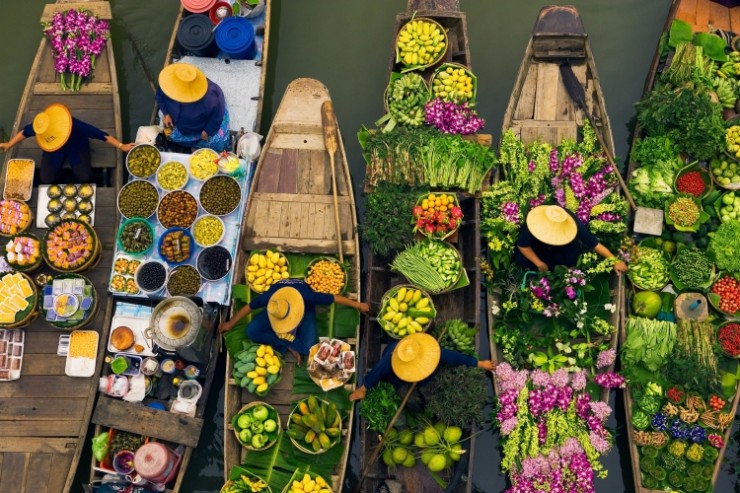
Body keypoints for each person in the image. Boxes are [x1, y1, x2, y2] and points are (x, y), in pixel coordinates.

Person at [218, 279, 369, 365]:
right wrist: (230, 324)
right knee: (251, 331)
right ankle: (288, 344)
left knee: (308, 348)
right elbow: (249, 307)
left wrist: (358, 305)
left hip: (305, 310)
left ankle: (287, 342)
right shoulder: (270, 299)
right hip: (277, 310)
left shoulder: (308, 297)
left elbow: (334, 298)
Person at [0, 103, 134, 183]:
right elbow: (25, 132)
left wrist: (121, 146)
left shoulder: (73, 124)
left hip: (76, 148)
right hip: (54, 150)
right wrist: (9, 144)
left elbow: (99, 134)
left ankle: (74, 171)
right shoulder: (42, 125)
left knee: (85, 176)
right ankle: (63, 174)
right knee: (46, 178)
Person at [348, 332, 496, 402]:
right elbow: (377, 371)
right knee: (406, 394)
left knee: (429, 381)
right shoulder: (391, 360)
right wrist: (363, 389)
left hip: (416, 364)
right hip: (396, 376)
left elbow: (453, 357)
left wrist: (479, 363)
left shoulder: (429, 352)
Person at [514, 205, 628, 275]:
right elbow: (522, 245)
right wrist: (539, 263)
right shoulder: (534, 223)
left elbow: (595, 244)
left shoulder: (574, 224)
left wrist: (614, 260)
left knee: (571, 257)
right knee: (521, 258)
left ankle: (561, 270)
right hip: (536, 245)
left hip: (563, 246)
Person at [155, 63, 230, 152]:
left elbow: (216, 115)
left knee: (218, 143)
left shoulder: (209, 98)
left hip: (200, 127)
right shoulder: (167, 84)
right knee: (169, 136)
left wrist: (207, 131)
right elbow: (160, 97)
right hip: (182, 126)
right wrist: (166, 113)